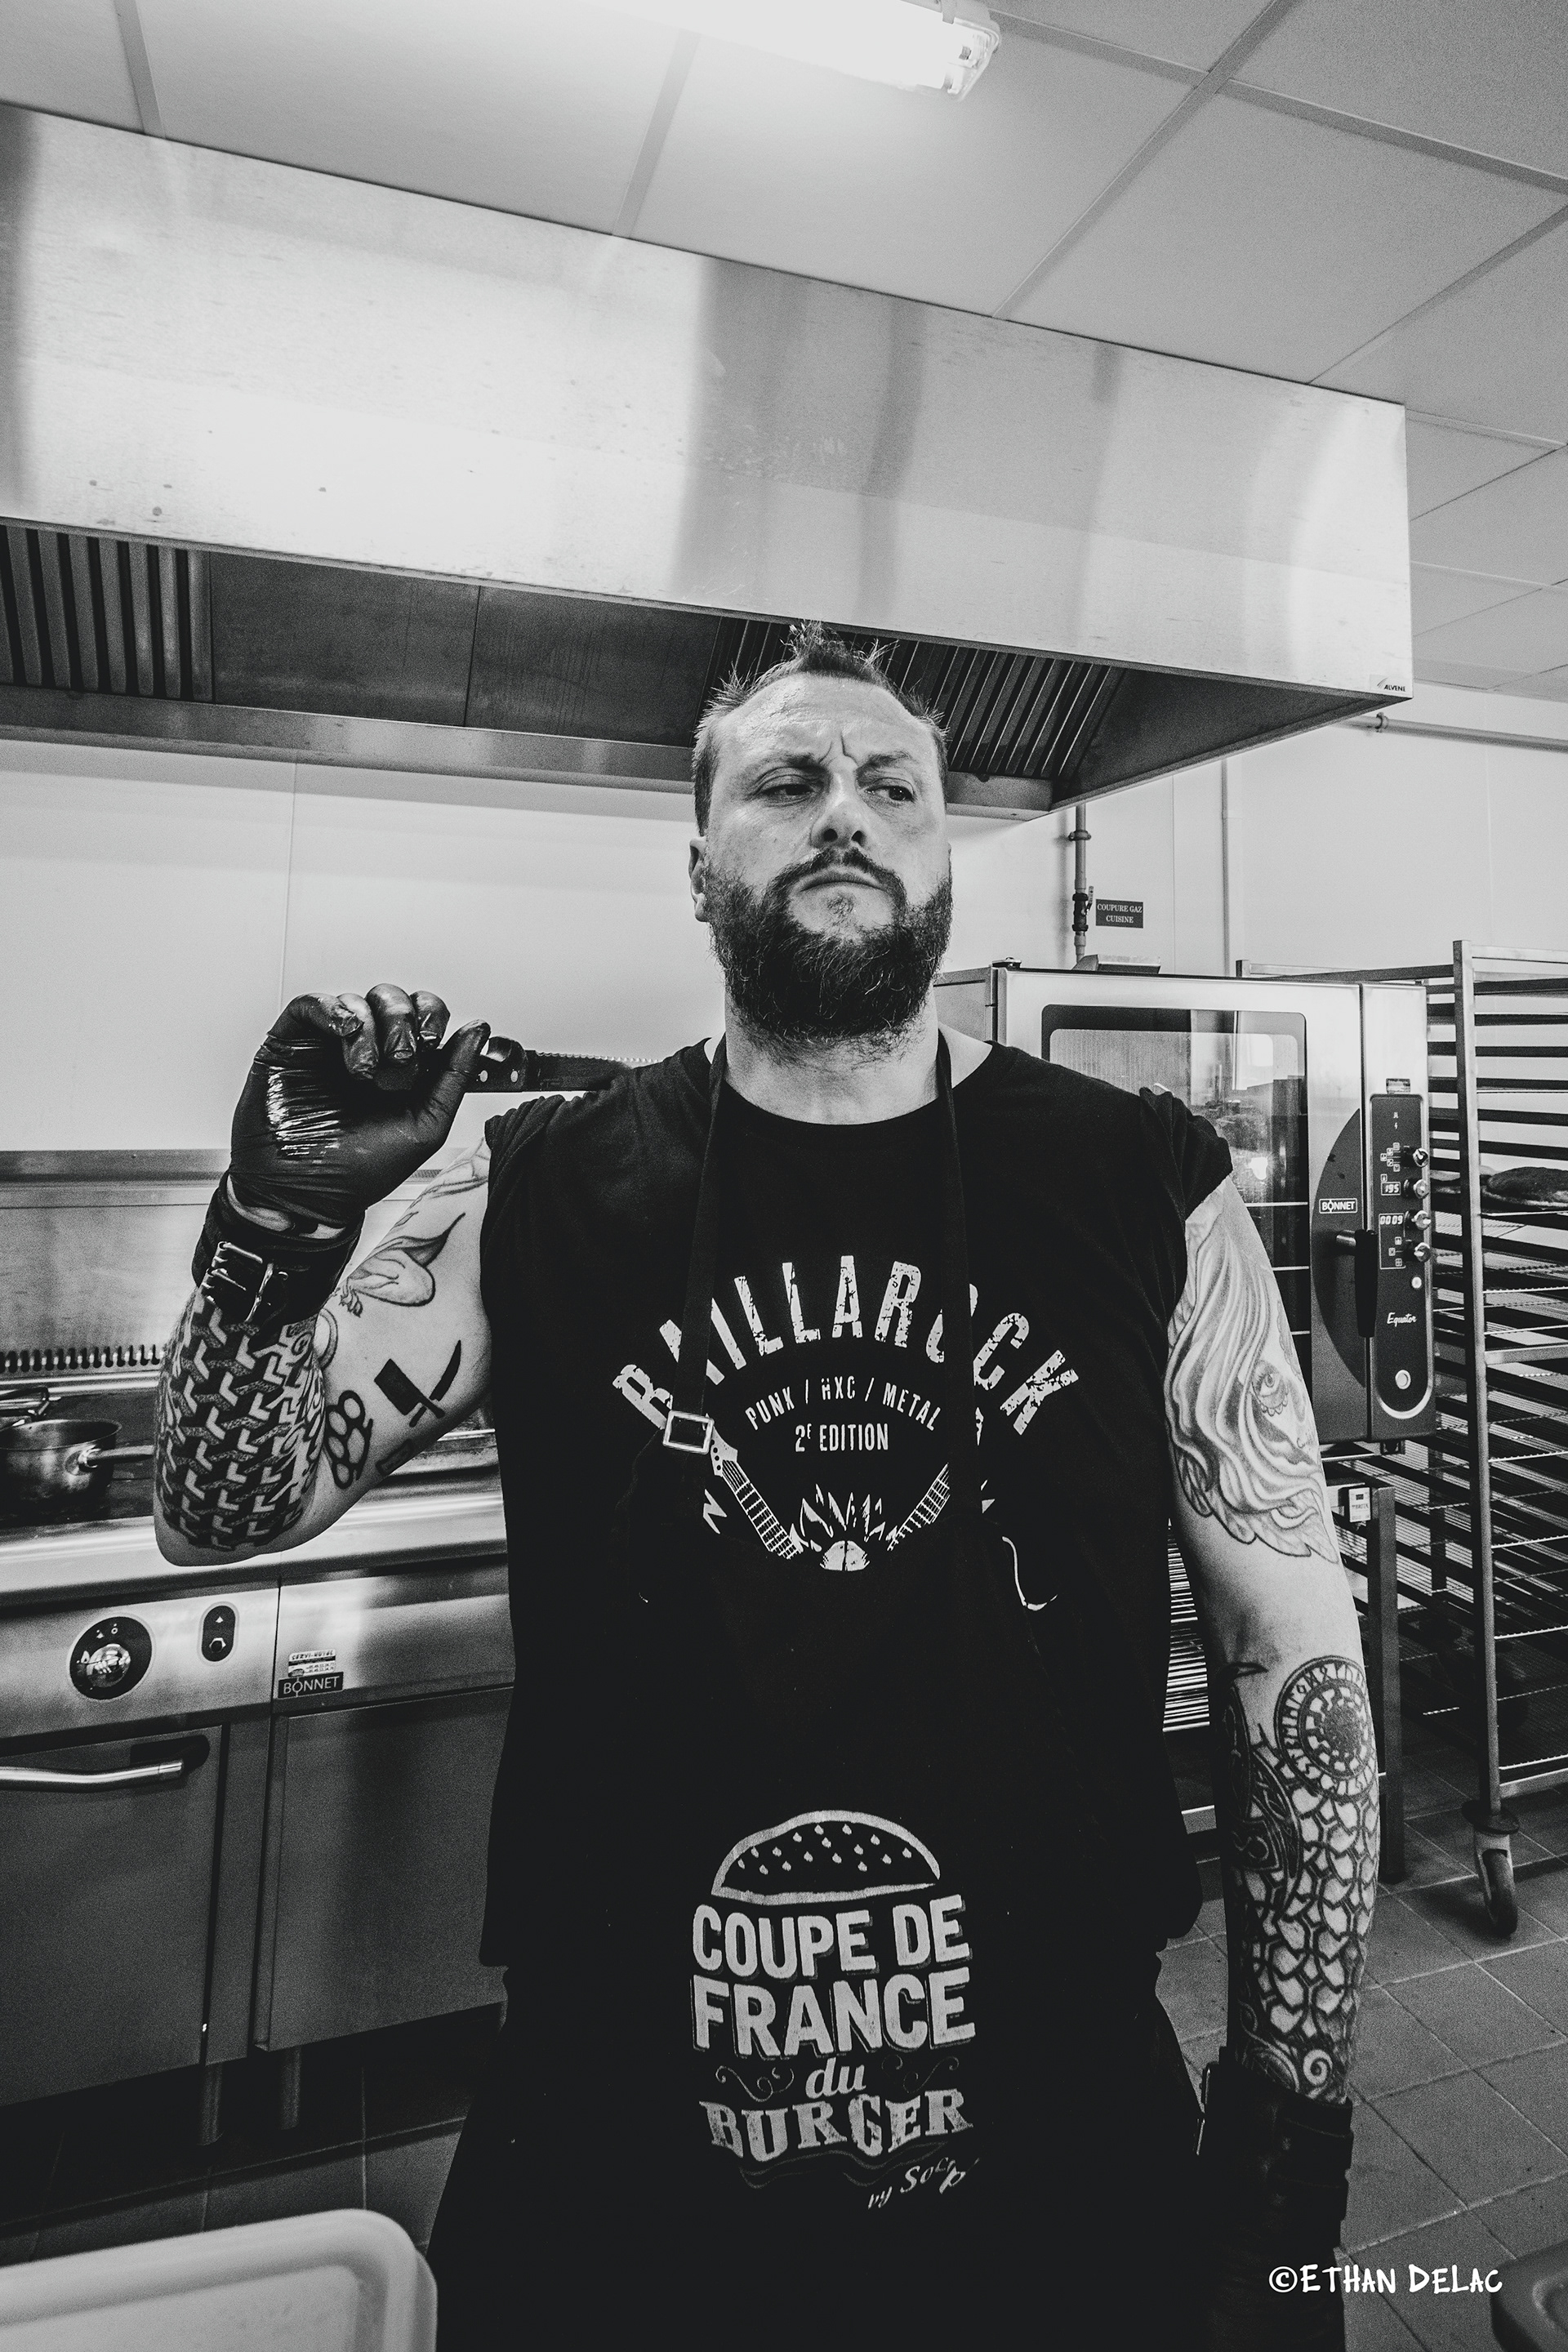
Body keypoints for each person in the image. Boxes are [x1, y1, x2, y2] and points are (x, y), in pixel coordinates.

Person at [154, 626, 1377, 2348]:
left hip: (1056, 2139)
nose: (845, 815)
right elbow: (220, 1509)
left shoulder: (1144, 1186)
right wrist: (278, 1226)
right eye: (788, 781)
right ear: (699, 864)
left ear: (943, 856)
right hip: (614, 2155)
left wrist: (1284, 2150)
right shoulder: (534, 1187)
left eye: (894, 788)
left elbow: (1294, 1672)